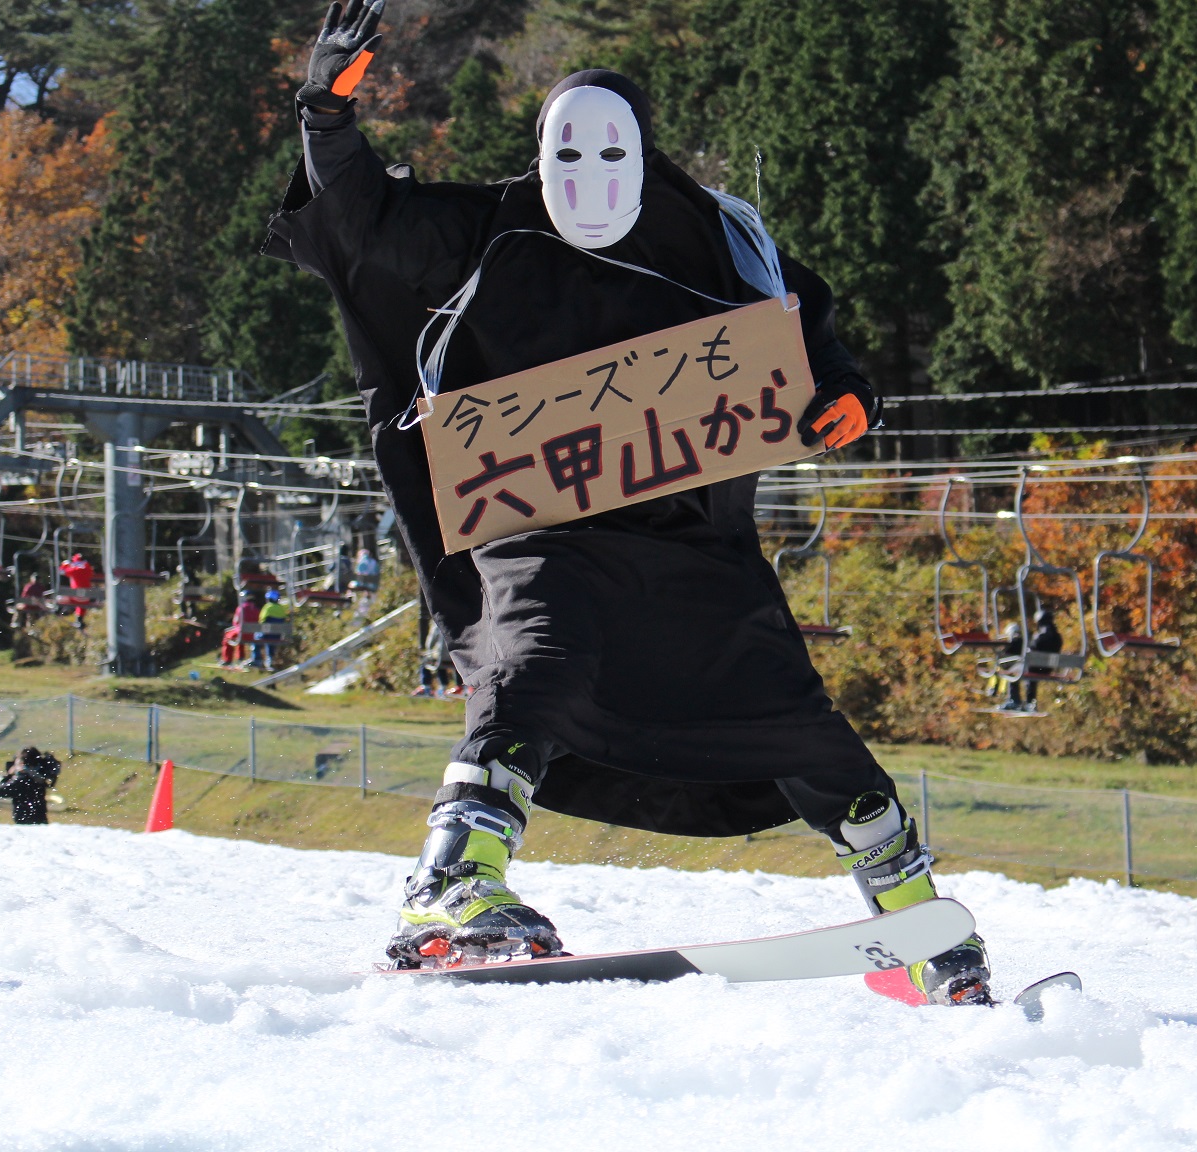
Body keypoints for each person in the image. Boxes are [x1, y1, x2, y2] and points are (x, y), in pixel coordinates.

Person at [266, 3, 991, 1004]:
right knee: (536, 659)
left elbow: (806, 331)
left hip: (683, 539)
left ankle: (910, 913)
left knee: (790, 712)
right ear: (540, 150)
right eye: (569, 148)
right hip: (536, 518)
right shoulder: (487, 231)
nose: (590, 171)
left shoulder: (719, 239)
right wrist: (325, 117)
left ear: (646, 153)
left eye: (613, 149)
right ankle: (451, 880)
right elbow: (357, 224)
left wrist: (847, 394)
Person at [0, 747, 61, 825]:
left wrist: (8, 776)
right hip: (40, 820)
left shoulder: (22, 780)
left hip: (24, 822)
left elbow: (0, 792)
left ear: (22, 763)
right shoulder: (38, 778)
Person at [412, 615, 462, 698]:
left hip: (441, 656)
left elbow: (431, 641)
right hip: (455, 655)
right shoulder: (459, 622)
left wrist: (428, 649)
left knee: (428, 661)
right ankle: (459, 686)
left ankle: (428, 686)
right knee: (457, 665)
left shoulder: (437, 622)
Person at [220, 589, 262, 667]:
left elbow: (235, 622)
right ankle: (240, 658)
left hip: (242, 634)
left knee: (228, 636)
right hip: (254, 635)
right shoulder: (257, 609)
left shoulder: (241, 608)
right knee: (239, 634)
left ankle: (228, 659)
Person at [251, 590, 289, 671]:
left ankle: (257, 659)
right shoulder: (281, 608)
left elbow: (261, 620)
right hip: (277, 635)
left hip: (266, 634)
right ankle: (270, 660)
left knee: (256, 637)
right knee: (270, 641)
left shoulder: (267, 607)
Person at [59, 553, 97, 630]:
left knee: (62, 597)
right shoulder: (88, 568)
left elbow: (61, 571)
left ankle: (63, 610)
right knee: (82, 602)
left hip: (75, 597)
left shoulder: (74, 569)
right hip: (86, 598)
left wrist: (65, 564)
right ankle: (79, 620)